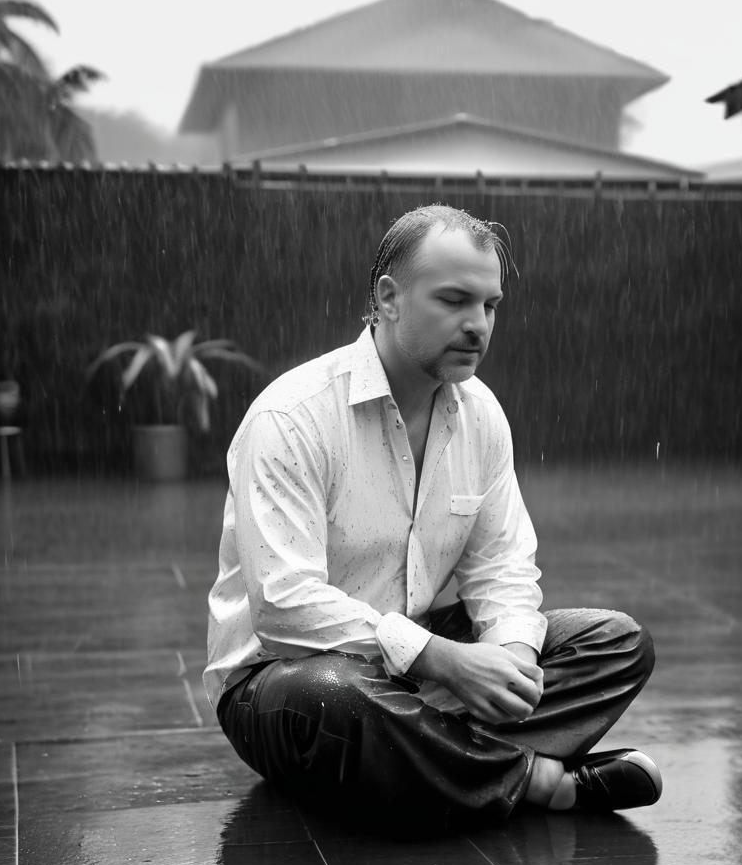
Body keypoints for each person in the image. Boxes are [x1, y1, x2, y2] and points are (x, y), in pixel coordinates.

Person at [205, 204, 660, 833]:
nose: (477, 326)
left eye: (490, 305)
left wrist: (509, 659)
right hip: (283, 685)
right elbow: (284, 608)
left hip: (417, 676)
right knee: (335, 700)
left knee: (615, 641)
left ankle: (432, 760)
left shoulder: (481, 416)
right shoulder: (291, 418)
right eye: (454, 300)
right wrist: (444, 661)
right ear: (388, 299)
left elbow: (503, 567)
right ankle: (538, 781)